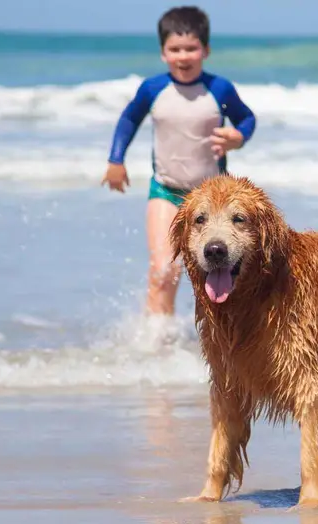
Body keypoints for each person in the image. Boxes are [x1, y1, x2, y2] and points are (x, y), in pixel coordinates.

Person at [101, 6, 257, 316]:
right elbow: (129, 120)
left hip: (212, 200)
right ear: (163, 52)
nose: (183, 56)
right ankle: (158, 339)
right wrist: (116, 160)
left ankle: (212, 336)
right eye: (175, 49)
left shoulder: (219, 89)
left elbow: (247, 118)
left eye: (191, 48)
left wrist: (238, 137)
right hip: (166, 192)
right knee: (165, 269)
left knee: (217, 268)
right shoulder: (153, 89)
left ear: (206, 50)